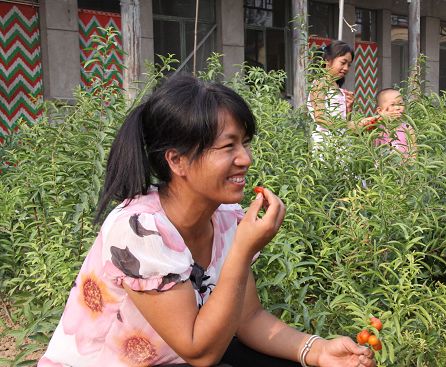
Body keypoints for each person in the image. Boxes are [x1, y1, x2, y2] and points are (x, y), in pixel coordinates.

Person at [38, 74, 377, 367]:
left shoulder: (227, 218)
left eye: (244, 143)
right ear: (178, 160)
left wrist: (316, 351)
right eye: (228, 146)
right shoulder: (138, 228)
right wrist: (242, 250)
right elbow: (199, 352)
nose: (245, 159)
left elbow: (248, 318)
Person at [307, 40, 355, 144]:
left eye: (349, 65)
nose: (346, 68)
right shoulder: (320, 84)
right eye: (343, 63)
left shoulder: (338, 87)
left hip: (341, 143)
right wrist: (346, 126)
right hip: (325, 145)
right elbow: (320, 117)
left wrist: (349, 108)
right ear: (327, 61)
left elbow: (345, 121)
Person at [363, 88, 417, 160]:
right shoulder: (376, 127)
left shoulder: (407, 128)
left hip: (403, 169)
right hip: (381, 169)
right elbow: (355, 126)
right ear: (380, 110)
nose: (398, 108)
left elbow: (414, 152)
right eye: (393, 104)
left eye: (400, 104)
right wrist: (380, 117)